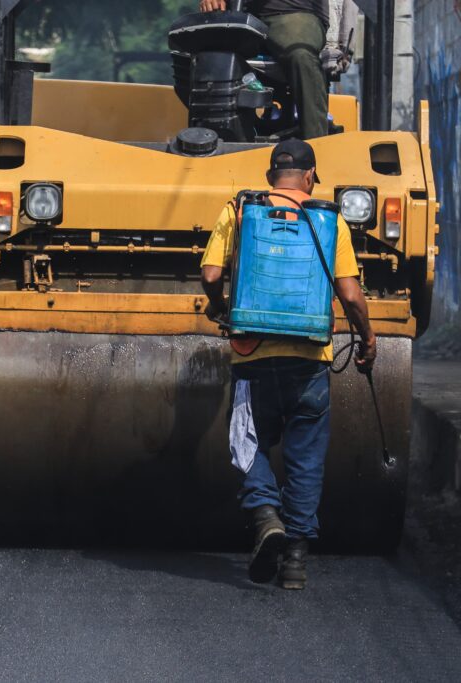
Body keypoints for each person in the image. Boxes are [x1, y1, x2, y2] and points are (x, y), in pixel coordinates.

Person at [199, 139, 376, 589]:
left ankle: (264, 516)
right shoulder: (329, 218)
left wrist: (218, 306)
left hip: (253, 355)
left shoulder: (240, 210)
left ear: (269, 176)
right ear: (311, 176)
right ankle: (295, 560)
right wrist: (368, 340)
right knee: (305, 458)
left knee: (246, 440)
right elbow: (351, 296)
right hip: (309, 361)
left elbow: (211, 274)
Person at [200, 0, 330, 139]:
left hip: (292, 12)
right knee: (199, 53)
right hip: (237, 16)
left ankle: (317, 144)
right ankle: (205, 139)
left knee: (301, 55)